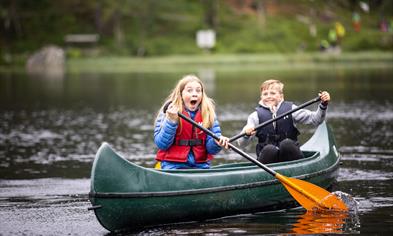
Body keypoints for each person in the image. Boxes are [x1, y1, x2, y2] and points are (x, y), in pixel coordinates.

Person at [237, 79, 330, 164]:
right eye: (265, 94)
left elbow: (316, 120)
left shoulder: (291, 109)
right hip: (268, 163)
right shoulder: (255, 116)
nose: (268, 96)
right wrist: (246, 135)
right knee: (270, 149)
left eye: (272, 93)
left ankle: (300, 169)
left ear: (281, 96)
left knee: (286, 144)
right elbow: (241, 144)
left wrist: (323, 105)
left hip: (291, 158)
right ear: (261, 97)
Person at [154, 74, 229, 169]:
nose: (194, 94)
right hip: (173, 165)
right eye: (189, 90)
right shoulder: (168, 112)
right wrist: (171, 122)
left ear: (202, 94)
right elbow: (161, 144)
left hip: (200, 165)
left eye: (198, 90)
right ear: (180, 94)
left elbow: (211, 150)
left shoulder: (208, 113)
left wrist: (216, 142)